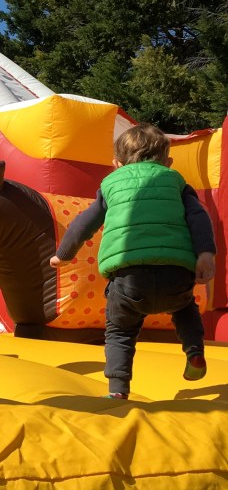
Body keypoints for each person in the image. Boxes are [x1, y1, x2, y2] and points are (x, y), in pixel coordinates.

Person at [50, 122, 216, 399]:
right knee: (186, 308)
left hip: (129, 278)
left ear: (116, 164)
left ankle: (117, 390)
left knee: (119, 332)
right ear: (168, 162)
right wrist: (205, 254)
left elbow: (84, 224)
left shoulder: (110, 186)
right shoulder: (177, 183)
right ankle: (195, 352)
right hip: (175, 274)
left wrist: (63, 255)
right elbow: (198, 218)